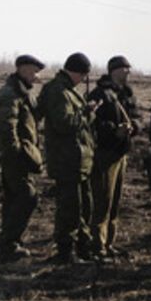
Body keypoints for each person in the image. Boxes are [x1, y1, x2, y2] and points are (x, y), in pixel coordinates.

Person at [38, 51, 97, 263]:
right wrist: (87, 113)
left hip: (78, 160)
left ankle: (82, 249)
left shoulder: (68, 90)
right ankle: (65, 252)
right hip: (67, 160)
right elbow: (64, 123)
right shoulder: (59, 91)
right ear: (76, 72)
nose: (83, 80)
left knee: (83, 207)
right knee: (70, 209)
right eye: (83, 75)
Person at [0, 54, 46, 262]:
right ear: (22, 69)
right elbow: (6, 129)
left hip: (18, 157)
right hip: (14, 158)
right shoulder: (10, 94)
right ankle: (9, 244)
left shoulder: (23, 94)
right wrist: (17, 155)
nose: (36, 75)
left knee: (14, 199)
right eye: (33, 71)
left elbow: (33, 117)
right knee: (26, 197)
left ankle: (9, 244)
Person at [87, 54, 140, 261]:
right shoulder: (99, 94)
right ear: (113, 71)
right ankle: (97, 245)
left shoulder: (127, 93)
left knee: (115, 202)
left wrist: (133, 127)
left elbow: (137, 116)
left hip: (121, 153)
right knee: (102, 201)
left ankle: (109, 243)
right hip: (104, 153)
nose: (127, 71)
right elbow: (92, 123)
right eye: (123, 68)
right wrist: (113, 131)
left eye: (128, 67)